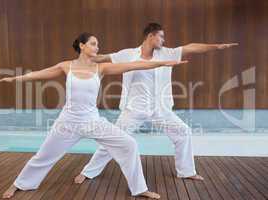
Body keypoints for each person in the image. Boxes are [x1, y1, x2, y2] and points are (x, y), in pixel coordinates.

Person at [0, 32, 188, 199]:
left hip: (92, 121)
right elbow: (41, 74)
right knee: (44, 156)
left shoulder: (101, 68)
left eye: (98, 44)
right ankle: (20, 184)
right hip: (68, 122)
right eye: (93, 43)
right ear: (81, 45)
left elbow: (132, 65)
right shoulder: (67, 66)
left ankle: (139, 189)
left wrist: (162, 62)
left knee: (129, 144)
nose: (97, 47)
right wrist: (16, 78)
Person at [75, 23, 238, 184]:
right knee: (114, 140)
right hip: (134, 109)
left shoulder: (168, 53)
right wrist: (81, 59)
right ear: (150, 36)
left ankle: (186, 171)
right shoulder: (128, 54)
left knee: (183, 132)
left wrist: (216, 47)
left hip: (160, 109)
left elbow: (191, 48)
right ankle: (88, 172)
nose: (163, 40)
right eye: (161, 36)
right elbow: (102, 58)